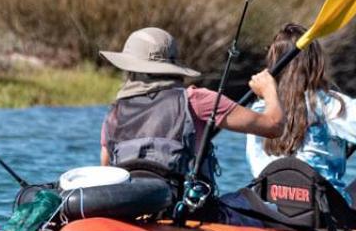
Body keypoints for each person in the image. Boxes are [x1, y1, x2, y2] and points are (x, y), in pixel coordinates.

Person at [246, 22, 356, 222]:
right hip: (324, 217)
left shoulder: (260, 109)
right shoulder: (329, 105)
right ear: (317, 63)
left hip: (273, 214)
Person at [98, 27, 281, 182]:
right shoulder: (198, 99)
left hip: (130, 213)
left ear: (131, 70)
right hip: (185, 212)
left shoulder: (115, 113)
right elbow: (274, 126)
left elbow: (105, 171)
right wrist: (269, 90)